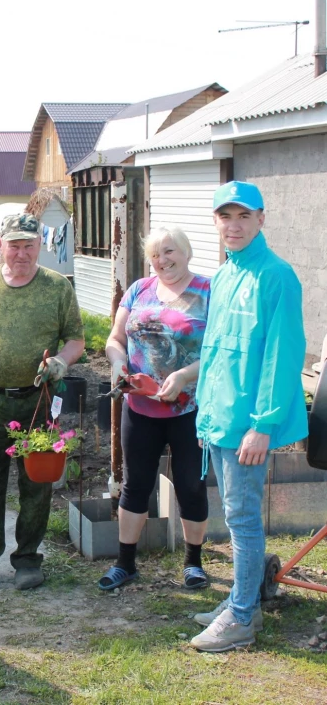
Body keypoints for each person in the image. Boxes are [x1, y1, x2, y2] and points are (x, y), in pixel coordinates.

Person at [190, 181, 307, 653]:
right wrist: (204, 414)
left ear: (262, 219)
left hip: (247, 424)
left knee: (241, 518)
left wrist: (263, 424)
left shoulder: (277, 276)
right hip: (220, 417)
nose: (233, 226)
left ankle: (241, 617)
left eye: (243, 216)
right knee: (235, 515)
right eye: (225, 217)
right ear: (216, 222)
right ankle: (244, 601)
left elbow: (282, 355)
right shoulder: (223, 276)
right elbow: (215, 352)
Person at [0, 213, 85, 592]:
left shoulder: (57, 288)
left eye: (29, 245)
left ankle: (27, 558)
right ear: (0, 245)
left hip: (37, 402)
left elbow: (76, 339)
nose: (21, 253)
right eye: (14, 245)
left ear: (39, 246)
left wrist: (61, 361)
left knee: (35, 484)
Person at [98, 227, 211, 592]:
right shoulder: (138, 289)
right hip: (140, 407)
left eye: (169, 251)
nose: (162, 261)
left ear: (187, 251)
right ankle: (125, 563)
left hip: (190, 409)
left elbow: (221, 351)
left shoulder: (209, 292)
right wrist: (117, 363)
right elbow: (115, 339)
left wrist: (182, 376)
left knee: (191, 486)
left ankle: (193, 563)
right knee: (135, 485)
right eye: (155, 255)